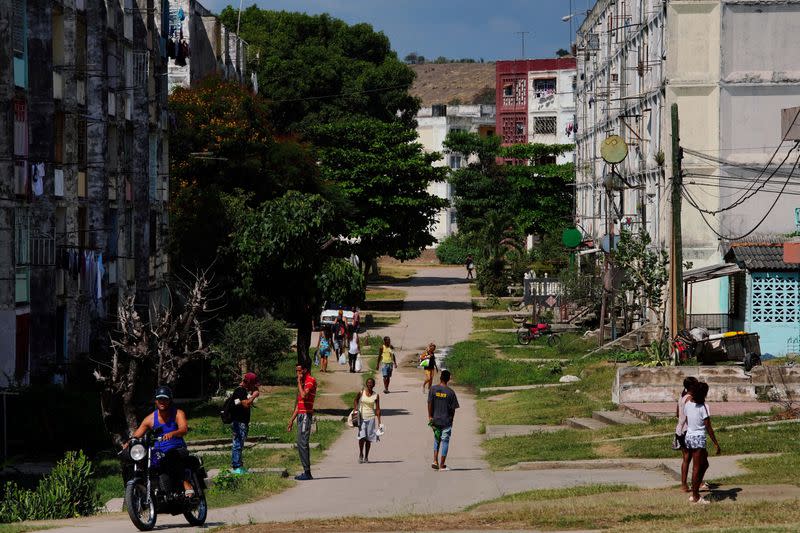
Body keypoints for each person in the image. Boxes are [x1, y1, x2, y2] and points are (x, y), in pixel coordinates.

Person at [128, 386, 193, 496]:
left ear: (170, 400)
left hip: (177, 448)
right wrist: (128, 442)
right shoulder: (150, 419)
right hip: (158, 451)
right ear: (156, 401)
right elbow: (137, 434)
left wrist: (173, 433)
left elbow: (184, 429)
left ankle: (186, 483)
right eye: (160, 399)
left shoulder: (178, 413)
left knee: (172, 456)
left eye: (165, 399)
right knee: (139, 460)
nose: (162, 402)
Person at [685, 381, 721, 503]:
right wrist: (716, 443)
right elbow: (708, 427)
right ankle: (695, 496)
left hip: (689, 437)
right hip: (698, 438)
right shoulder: (703, 407)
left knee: (704, 464)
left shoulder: (688, 403)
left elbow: (687, 419)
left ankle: (695, 490)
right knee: (697, 467)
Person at [288, 363, 317, 480]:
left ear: (305, 370)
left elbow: (304, 396)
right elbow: (299, 405)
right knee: (300, 443)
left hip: (306, 415)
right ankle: (305, 471)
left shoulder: (310, 380)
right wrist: (291, 420)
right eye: (296, 371)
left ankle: (307, 472)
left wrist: (299, 382)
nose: (297, 373)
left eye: (299, 371)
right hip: (300, 415)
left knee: (303, 443)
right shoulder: (303, 383)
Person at [428, 370, 459, 471]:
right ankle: (442, 465)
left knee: (437, 440)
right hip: (446, 421)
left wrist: (430, 416)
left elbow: (430, 403)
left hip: (435, 420)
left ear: (440, 377)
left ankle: (435, 461)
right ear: (449, 379)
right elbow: (453, 409)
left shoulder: (433, 389)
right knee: (445, 442)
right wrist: (452, 421)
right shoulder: (451, 392)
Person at [229, 372, 260, 474]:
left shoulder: (241, 391)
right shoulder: (240, 391)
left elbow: (240, 403)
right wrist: (254, 395)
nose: (254, 387)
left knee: (239, 444)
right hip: (239, 422)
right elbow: (246, 404)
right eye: (253, 384)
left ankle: (239, 465)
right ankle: (236, 466)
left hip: (241, 422)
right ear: (249, 382)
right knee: (237, 444)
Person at [676, 376, 699, 492]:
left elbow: (677, 413)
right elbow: (692, 416)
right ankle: (697, 483)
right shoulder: (690, 399)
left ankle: (684, 484)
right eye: (696, 384)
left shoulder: (682, 398)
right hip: (688, 431)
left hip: (679, 429)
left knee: (686, 458)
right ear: (691, 386)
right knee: (696, 458)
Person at [353, 377, 381, 463]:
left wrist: (379, 421)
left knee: (368, 438)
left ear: (373, 385)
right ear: (366, 384)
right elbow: (355, 400)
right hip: (362, 417)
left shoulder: (376, 395)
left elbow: (378, 409)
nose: (370, 384)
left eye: (371, 383)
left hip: (371, 418)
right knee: (362, 437)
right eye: (368, 383)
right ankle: (361, 454)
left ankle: (366, 456)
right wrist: (355, 409)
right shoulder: (361, 392)